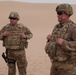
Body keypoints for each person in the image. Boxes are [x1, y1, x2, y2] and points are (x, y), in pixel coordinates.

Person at [45, 3, 76, 75]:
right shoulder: (56, 27)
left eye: (59, 13)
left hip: (68, 67)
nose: (57, 15)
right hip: (55, 64)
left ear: (67, 14)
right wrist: (50, 40)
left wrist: (64, 43)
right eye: (57, 13)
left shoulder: (73, 28)